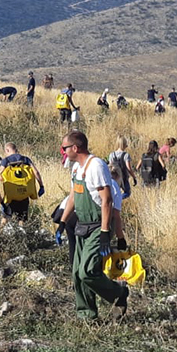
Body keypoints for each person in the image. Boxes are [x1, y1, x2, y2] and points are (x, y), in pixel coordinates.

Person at [60, 130, 129, 320]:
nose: (63, 151)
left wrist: (106, 233)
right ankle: (87, 316)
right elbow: (73, 196)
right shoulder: (76, 168)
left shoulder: (96, 166)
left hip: (99, 225)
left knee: (88, 271)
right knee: (77, 274)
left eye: (65, 148)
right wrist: (63, 222)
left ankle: (119, 293)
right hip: (82, 224)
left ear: (75, 147)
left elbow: (106, 201)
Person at [0, 142, 44, 223]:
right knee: (22, 219)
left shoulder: (5, 161)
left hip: (11, 196)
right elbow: (36, 172)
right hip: (24, 194)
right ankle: (22, 234)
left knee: (5, 218)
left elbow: (0, 176)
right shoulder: (26, 159)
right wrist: (41, 186)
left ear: (7, 150)